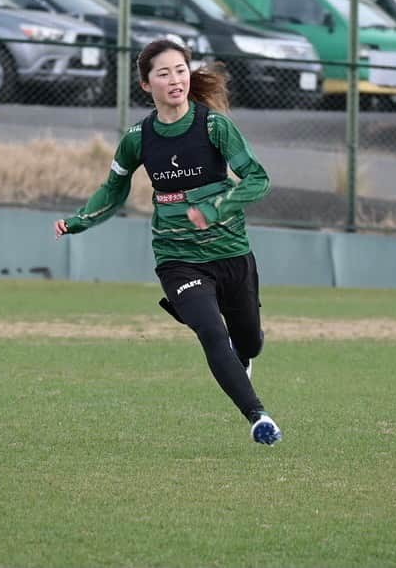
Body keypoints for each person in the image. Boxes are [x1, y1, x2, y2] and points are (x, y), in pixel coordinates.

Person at [54, 38, 281, 445]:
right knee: (212, 333)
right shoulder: (138, 138)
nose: (175, 79)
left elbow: (258, 179)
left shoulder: (213, 125)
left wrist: (214, 209)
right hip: (176, 258)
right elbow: (113, 189)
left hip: (231, 252)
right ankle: (258, 416)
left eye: (180, 70)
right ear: (146, 85)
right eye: (164, 73)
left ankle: (242, 352)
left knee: (249, 341)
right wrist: (78, 221)